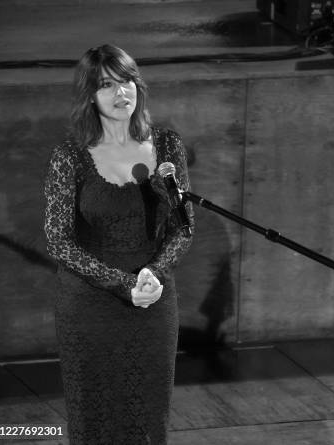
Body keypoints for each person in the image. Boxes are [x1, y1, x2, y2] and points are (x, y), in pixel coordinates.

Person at [43, 44, 195, 444]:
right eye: (107, 84)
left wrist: (153, 275)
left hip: (153, 296)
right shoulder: (70, 156)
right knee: (95, 418)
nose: (121, 92)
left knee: (148, 413)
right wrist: (122, 283)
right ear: (90, 95)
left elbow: (183, 227)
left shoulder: (167, 146)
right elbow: (58, 241)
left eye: (127, 80)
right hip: (88, 303)